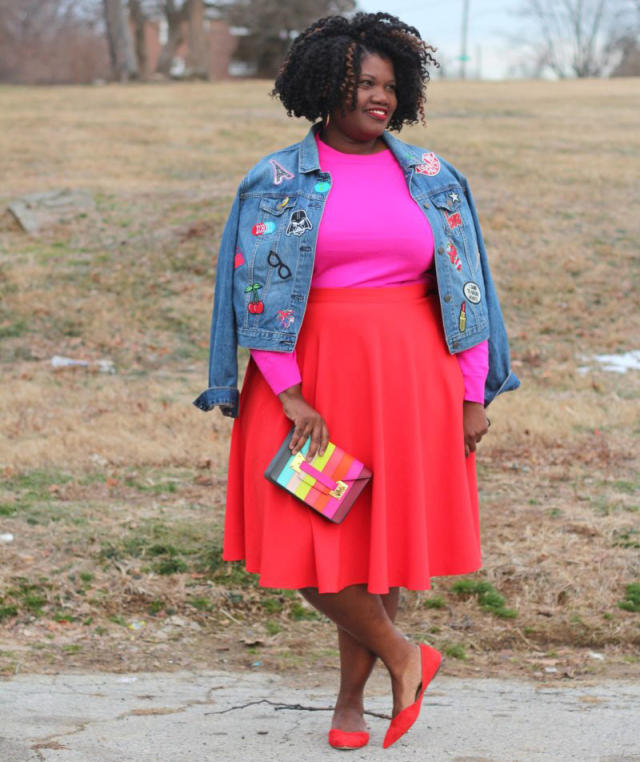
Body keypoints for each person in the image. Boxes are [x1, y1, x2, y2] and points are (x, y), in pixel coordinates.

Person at [195, 12, 519, 750]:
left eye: (389, 85)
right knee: (306, 537)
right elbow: (256, 294)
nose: (380, 97)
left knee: (381, 545)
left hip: (410, 379)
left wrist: (473, 395)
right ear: (324, 86)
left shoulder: (432, 177)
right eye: (364, 83)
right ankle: (408, 656)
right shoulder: (276, 179)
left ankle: (353, 703)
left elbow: (465, 292)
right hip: (307, 384)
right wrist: (286, 390)